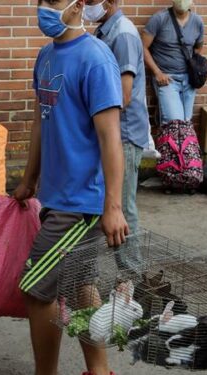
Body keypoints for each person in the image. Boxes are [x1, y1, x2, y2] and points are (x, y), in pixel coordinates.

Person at [13, 0, 129, 373]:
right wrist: (30, 179)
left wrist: (112, 206)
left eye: (53, 1)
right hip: (55, 194)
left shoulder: (96, 59)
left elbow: (111, 138)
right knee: (81, 284)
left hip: (81, 203)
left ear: (78, 5)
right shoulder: (45, 56)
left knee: (36, 288)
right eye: (41, 2)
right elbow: (39, 122)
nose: (44, 8)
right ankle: (99, 370)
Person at [86, 0, 149, 273]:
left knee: (121, 208)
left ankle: (130, 281)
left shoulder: (121, 33)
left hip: (123, 133)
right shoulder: (105, 31)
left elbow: (122, 96)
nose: (87, 6)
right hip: (113, 132)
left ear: (110, 2)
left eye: (91, 2)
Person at [141, 0, 204, 124]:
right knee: (174, 123)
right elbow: (143, 47)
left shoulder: (197, 21)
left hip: (189, 81)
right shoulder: (159, 19)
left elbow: (198, 48)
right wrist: (157, 72)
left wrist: (195, 70)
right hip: (167, 79)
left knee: (186, 122)